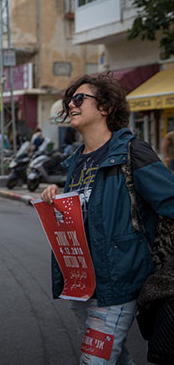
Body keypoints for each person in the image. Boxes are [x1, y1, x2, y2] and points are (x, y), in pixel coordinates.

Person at [40, 73, 174, 365]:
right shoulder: (76, 161)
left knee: (95, 359)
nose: (71, 105)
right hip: (81, 282)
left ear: (106, 107)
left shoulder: (131, 153)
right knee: (117, 356)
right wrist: (56, 198)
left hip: (117, 282)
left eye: (79, 99)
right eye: (68, 101)